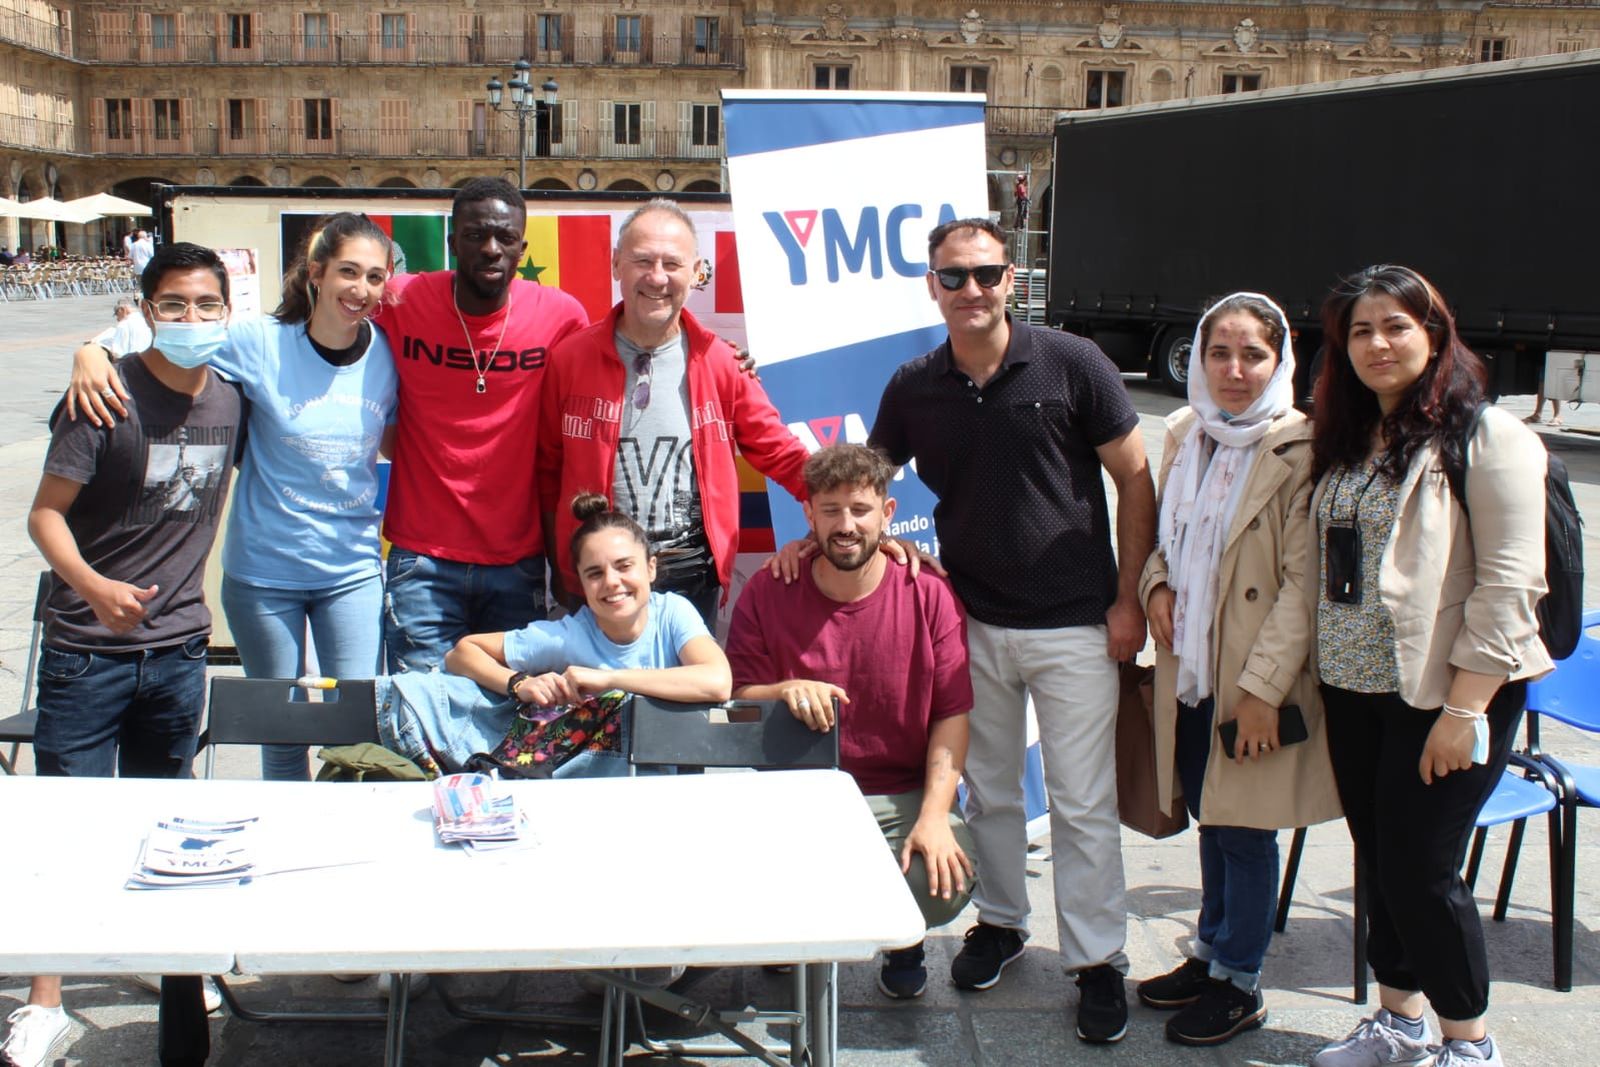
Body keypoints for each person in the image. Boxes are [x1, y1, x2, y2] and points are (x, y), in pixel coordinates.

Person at [867, 217, 1156, 1043]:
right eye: (953, 277)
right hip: (972, 618)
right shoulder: (914, 383)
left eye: (986, 274)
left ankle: (1098, 959)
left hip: (1076, 621)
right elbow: (866, 480)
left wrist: (1129, 598)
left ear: (1012, 279)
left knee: (1081, 800)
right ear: (932, 286)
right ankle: (999, 919)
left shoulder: (1072, 362)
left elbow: (1135, 477)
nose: (971, 290)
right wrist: (850, 538)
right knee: (989, 787)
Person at [0, 243, 242, 1067]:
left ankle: (176, 970)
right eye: (174, 305)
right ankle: (44, 994)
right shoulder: (101, 397)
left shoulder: (232, 402)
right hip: (87, 651)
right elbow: (44, 516)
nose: (193, 321)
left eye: (208, 305)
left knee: (166, 824)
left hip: (177, 650)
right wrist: (93, 585)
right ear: (144, 309)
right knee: (67, 831)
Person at [1306, 265, 1550, 1067]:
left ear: (1435, 334)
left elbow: (1512, 586)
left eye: (1396, 326)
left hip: (1442, 692)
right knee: (1381, 861)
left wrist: (1465, 711)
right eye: (1360, 330)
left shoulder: (1488, 437)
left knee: (1423, 871)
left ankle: (1470, 1043)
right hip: (1353, 683)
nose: (1377, 343)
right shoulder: (1350, 435)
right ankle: (1400, 1020)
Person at [66, 213, 401, 781]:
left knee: (356, 728)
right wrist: (89, 352)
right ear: (316, 273)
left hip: (352, 571)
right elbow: (166, 347)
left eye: (374, 277)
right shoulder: (258, 341)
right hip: (264, 573)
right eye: (347, 272)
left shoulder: (388, 355)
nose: (360, 289)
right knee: (281, 731)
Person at [1132, 293, 1342, 1046]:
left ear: (1280, 360)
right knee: (1212, 816)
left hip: (1251, 672)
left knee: (1247, 830)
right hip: (1191, 662)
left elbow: (1302, 586)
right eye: (1219, 352)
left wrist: (1260, 692)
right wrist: (1155, 585)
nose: (1234, 369)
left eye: (1253, 353)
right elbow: (1166, 536)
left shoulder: (1303, 446)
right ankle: (1211, 952)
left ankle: (1242, 981)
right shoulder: (1188, 432)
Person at [726, 444, 976, 1000]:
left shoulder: (928, 593)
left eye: (860, 510)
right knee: (734, 878)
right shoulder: (770, 589)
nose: (845, 525)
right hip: (800, 792)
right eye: (830, 510)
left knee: (940, 879)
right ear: (808, 515)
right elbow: (739, 698)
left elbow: (952, 714)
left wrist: (935, 816)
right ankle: (804, 934)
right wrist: (783, 690)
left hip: (897, 789)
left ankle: (901, 937)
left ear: (887, 514)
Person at [538, 198, 811, 630]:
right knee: (599, 700)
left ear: (696, 271)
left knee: (682, 699)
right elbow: (548, 471)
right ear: (615, 265)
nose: (657, 277)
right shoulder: (568, 359)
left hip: (691, 583)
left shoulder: (722, 363)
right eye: (642, 260)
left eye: (672, 263)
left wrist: (848, 508)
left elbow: (782, 454)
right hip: (596, 582)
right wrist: (564, 572)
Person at [441, 492, 731, 776]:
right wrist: (519, 684)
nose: (612, 582)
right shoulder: (569, 634)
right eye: (595, 573)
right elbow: (461, 653)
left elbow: (717, 681)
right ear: (580, 581)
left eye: (624, 566)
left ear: (651, 568)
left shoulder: (673, 612)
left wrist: (608, 679)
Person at [89, 296, 153, 359]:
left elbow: (117, 353)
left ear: (122, 309)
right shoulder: (147, 320)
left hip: (132, 363)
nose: (117, 319)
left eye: (117, 314)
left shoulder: (124, 325)